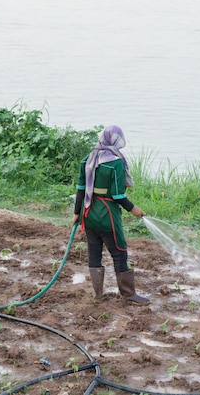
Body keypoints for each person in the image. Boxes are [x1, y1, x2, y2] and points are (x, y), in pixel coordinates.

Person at [71, 125, 150, 306]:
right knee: (119, 252)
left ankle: (98, 294)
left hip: (89, 213)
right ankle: (129, 295)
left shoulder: (88, 159)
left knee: (94, 252)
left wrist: (77, 213)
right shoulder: (115, 164)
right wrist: (133, 209)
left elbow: (81, 190)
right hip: (107, 215)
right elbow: (117, 195)